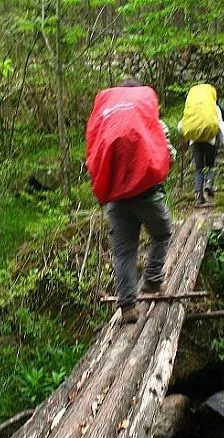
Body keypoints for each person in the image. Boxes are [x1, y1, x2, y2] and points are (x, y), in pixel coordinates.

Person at [86, 79, 175, 324]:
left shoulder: (107, 121)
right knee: (163, 233)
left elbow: (93, 155)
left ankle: (127, 305)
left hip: (116, 200)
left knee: (124, 252)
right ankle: (152, 279)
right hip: (147, 195)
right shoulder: (149, 119)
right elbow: (168, 153)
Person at [178, 90, 224, 205]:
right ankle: (208, 183)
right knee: (210, 164)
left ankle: (198, 194)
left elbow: (181, 125)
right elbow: (221, 126)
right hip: (210, 140)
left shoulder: (192, 109)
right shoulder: (214, 108)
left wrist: (184, 135)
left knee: (199, 168)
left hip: (195, 141)